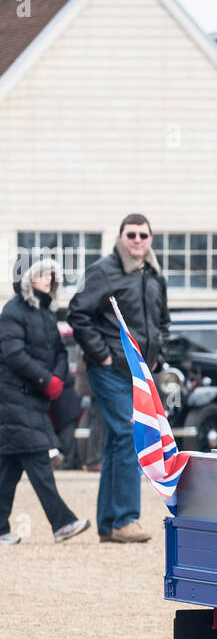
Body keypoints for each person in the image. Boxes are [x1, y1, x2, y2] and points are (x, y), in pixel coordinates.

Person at [67, 213, 169, 543]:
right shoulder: (103, 271)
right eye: (131, 234)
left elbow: (163, 323)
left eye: (143, 235)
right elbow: (78, 313)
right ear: (121, 237)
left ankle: (110, 524)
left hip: (140, 372)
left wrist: (157, 357)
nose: (137, 240)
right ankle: (126, 519)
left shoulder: (155, 276)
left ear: (150, 238)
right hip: (109, 370)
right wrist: (103, 355)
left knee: (117, 439)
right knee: (129, 433)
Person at [0, 259, 90, 545]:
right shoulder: (13, 311)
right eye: (41, 274)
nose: (49, 278)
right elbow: (13, 354)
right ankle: (62, 523)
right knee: (39, 458)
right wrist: (44, 380)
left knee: (9, 470)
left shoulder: (47, 312)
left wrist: (57, 379)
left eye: (50, 273)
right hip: (14, 398)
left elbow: (60, 352)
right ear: (26, 279)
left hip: (34, 399)